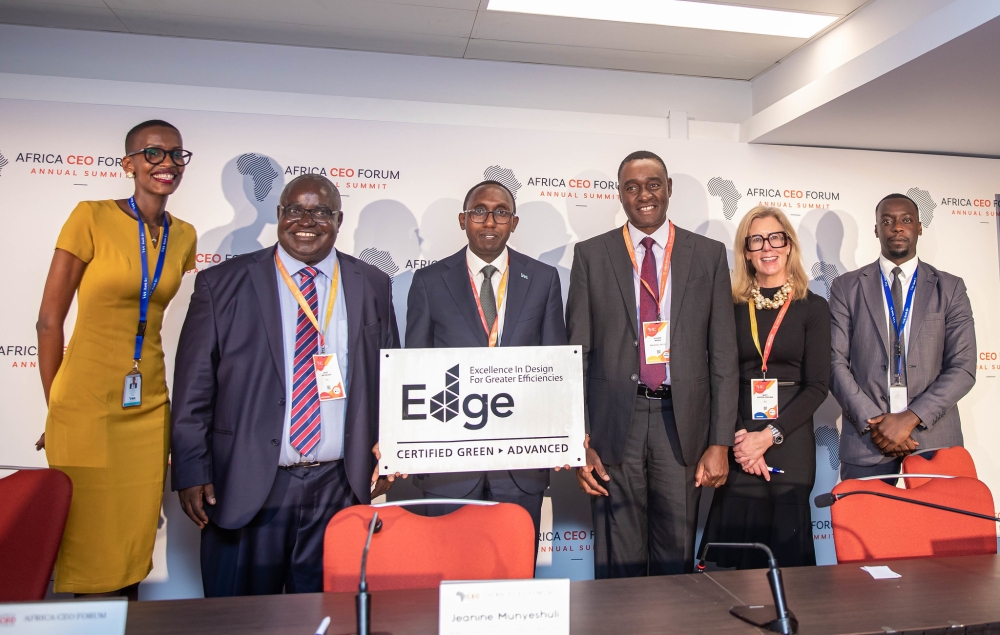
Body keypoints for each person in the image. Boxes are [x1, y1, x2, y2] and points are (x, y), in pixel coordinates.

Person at [170, 173, 400, 596]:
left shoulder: (371, 284)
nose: (306, 220)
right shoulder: (222, 284)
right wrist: (191, 468)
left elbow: (390, 379)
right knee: (237, 623)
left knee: (327, 616)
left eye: (320, 212)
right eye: (295, 210)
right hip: (246, 482)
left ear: (338, 218)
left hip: (340, 486)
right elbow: (193, 387)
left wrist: (392, 450)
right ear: (279, 215)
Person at [35, 120, 198, 598]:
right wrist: (58, 407)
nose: (165, 163)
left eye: (175, 154)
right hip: (83, 402)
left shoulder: (183, 235)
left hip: (146, 406)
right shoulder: (90, 215)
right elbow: (49, 322)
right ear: (128, 164)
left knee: (130, 537)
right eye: (152, 154)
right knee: (86, 540)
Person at [566, 150, 739, 578]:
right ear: (620, 195)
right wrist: (578, 440)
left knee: (675, 553)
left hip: (682, 423)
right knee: (616, 554)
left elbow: (723, 355)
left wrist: (719, 443)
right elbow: (577, 355)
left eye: (653, 184)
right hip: (612, 425)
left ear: (669, 189)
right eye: (632, 186)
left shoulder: (708, 254)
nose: (644, 194)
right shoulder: (591, 254)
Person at [405, 180, 567, 537]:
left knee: (514, 575)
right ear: (463, 219)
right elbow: (414, 369)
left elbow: (556, 366)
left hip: (520, 466)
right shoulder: (429, 282)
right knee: (447, 571)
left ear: (514, 222)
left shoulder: (542, 279)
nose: (489, 221)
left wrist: (561, 435)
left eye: (501, 212)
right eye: (479, 211)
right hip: (449, 466)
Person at [699, 206, 830, 569]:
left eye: (775, 237)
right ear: (745, 251)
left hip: (790, 437)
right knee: (738, 550)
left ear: (789, 245)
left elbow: (819, 386)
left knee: (788, 548)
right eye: (756, 240)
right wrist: (741, 437)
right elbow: (716, 372)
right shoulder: (729, 305)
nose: (766, 247)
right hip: (738, 437)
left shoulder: (813, 307)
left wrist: (769, 435)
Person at [831, 194, 976, 482]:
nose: (897, 227)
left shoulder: (950, 288)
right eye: (887, 221)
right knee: (865, 527)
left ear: (919, 227)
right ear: (876, 230)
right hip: (867, 441)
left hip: (933, 438)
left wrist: (910, 419)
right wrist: (877, 424)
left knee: (939, 527)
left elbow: (963, 367)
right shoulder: (846, 287)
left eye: (906, 220)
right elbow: (834, 361)